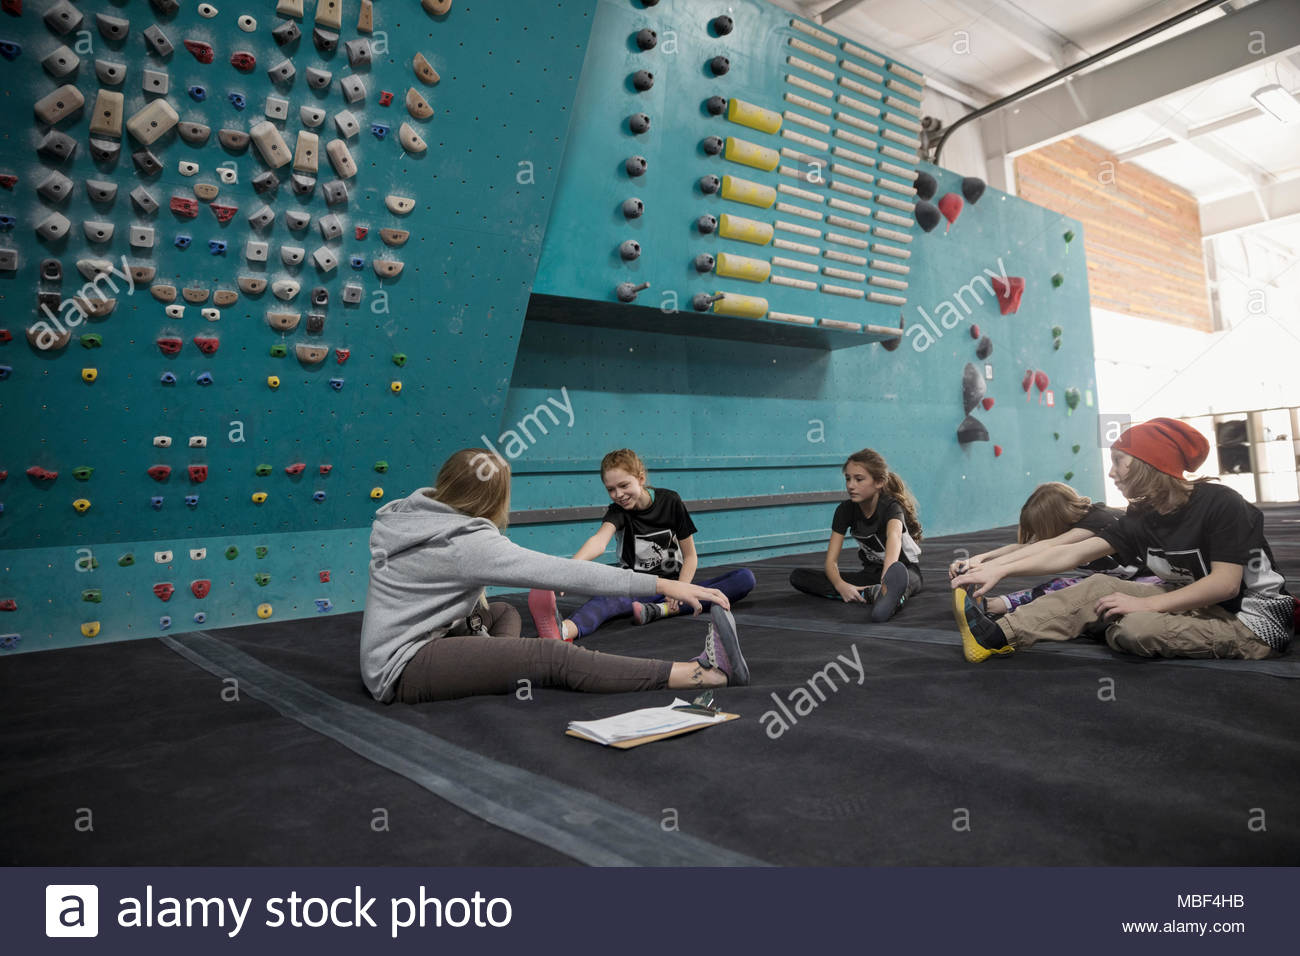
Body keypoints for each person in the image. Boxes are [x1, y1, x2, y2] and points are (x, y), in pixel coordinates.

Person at [359, 448, 749, 703]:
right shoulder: (465, 542)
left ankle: (498, 668)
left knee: (503, 614)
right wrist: (665, 584)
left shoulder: (413, 512)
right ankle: (703, 674)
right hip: (404, 665)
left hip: (413, 639)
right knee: (552, 657)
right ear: (495, 500)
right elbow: (564, 571)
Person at [952, 418, 1293, 662]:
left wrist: (1146, 604)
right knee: (1098, 586)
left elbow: (1225, 585)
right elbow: (1067, 555)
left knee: (1134, 629)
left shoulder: (1222, 503)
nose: (1112, 472)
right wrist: (996, 571)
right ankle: (994, 637)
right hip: (1193, 603)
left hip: (1251, 620)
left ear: (1148, 465)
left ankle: (1110, 623)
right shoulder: (1141, 516)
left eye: (1119, 462)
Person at [527, 448, 754, 642]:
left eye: (624, 485)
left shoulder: (670, 501)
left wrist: (682, 588)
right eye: (611, 489)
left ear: (641, 478)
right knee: (603, 603)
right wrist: (570, 568)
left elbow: (691, 556)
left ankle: (659, 611)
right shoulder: (618, 512)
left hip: (673, 586)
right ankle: (563, 631)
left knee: (744, 578)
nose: (618, 494)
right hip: (636, 588)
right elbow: (598, 541)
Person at [947, 482, 1153, 615]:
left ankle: (993, 607)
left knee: (1070, 589)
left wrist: (993, 568)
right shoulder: (1077, 521)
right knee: (1063, 585)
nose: (1037, 534)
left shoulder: (1099, 520)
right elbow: (1026, 547)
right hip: (1119, 579)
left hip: (1149, 581)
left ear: (1052, 520)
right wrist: (980, 560)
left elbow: (1049, 546)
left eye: (1039, 528)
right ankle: (990, 606)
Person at [789, 448, 923, 623]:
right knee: (799, 577)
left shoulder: (891, 507)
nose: (851, 485)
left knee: (902, 585)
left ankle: (888, 596)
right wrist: (841, 585)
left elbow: (894, 538)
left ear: (879, 482)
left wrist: (886, 583)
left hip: (903, 571)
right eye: (848, 479)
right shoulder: (845, 510)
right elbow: (831, 562)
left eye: (859, 479)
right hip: (869, 575)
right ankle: (868, 594)